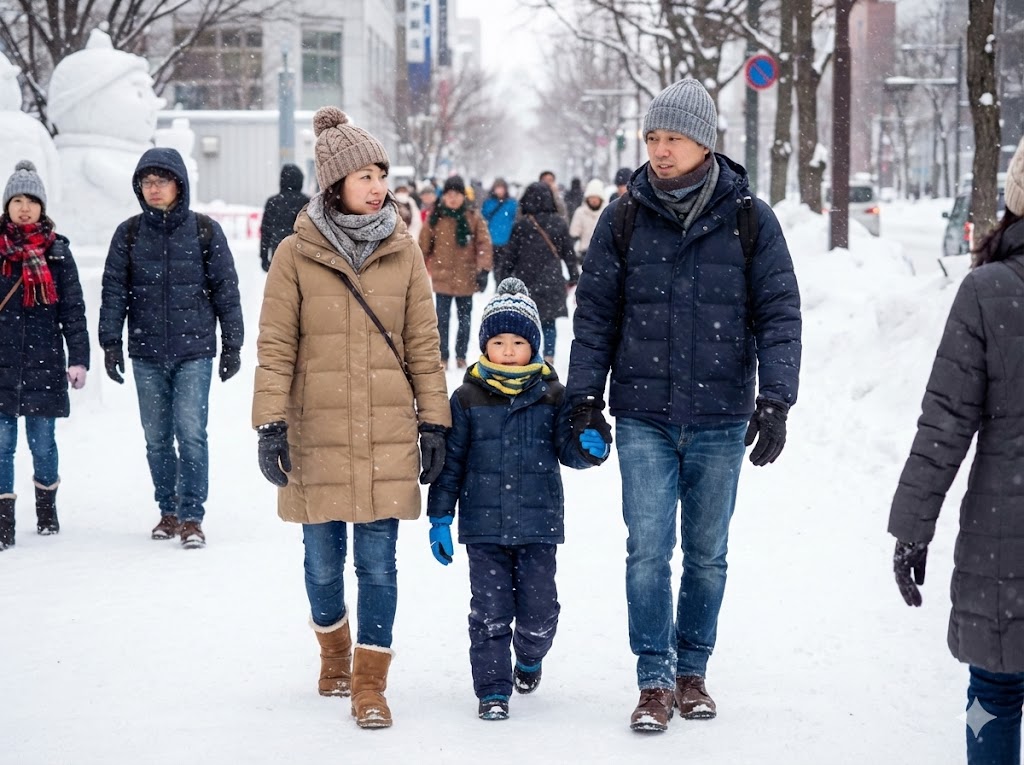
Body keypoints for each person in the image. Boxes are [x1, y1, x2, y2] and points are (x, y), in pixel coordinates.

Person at [565, 78, 802, 732]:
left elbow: (779, 314)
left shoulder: (750, 219)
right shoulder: (623, 218)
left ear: (705, 143)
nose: (660, 150)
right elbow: (595, 317)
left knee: (706, 553)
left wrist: (776, 399)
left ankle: (692, 670)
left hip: (721, 417)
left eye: (672, 138)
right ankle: (654, 678)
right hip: (643, 413)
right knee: (647, 549)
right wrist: (583, 398)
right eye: (652, 137)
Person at [252, 107, 451, 730]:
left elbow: (424, 345)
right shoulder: (294, 254)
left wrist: (434, 422)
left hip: (385, 432)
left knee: (378, 565)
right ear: (335, 183)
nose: (377, 185)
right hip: (316, 432)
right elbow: (275, 345)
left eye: (381, 174)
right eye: (365, 175)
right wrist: (270, 423)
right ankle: (333, 655)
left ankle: (370, 684)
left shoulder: (404, 252)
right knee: (320, 563)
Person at [888, 136, 1024, 765]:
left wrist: (912, 529)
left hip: (1005, 540)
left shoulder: (989, 290)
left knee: (995, 691)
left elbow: (944, 422)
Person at [425, 277, 607, 721]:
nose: (508, 351)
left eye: (519, 342)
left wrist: (588, 448)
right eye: (499, 342)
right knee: (490, 612)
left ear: (535, 347)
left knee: (539, 613)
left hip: (537, 526)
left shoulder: (553, 396)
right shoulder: (466, 398)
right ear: (485, 346)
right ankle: (492, 690)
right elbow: (452, 462)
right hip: (483, 528)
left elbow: (567, 451)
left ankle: (528, 657)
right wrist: (440, 517)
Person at [99, 146, 243, 549]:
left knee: (191, 434)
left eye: (161, 180)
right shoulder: (128, 234)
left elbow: (226, 290)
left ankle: (192, 516)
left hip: (194, 350)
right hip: (146, 352)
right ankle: (169, 510)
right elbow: (114, 291)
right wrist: (110, 342)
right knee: (157, 438)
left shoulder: (204, 231)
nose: (154, 188)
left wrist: (232, 344)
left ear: (179, 184)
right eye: (147, 181)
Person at [0, 160, 89, 550]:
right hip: (2, 363)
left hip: (43, 361)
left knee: (42, 443)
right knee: (2, 445)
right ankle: (3, 522)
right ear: (7, 206)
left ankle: (46, 510)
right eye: (17, 201)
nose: (24, 208)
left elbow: (73, 309)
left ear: (42, 207)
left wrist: (78, 358)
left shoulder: (56, 252)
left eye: (31, 201)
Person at [496, 181, 578, 366]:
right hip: (552, 279)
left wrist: (503, 277)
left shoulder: (522, 225)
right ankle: (549, 357)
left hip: (526, 280)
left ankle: (529, 355)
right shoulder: (559, 223)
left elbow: (510, 256)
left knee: (528, 320)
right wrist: (574, 275)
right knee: (549, 322)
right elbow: (569, 253)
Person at [419, 175, 492, 369]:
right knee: (441, 321)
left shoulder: (473, 217)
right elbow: (423, 245)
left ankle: (461, 355)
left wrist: (484, 269)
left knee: (465, 320)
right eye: (449, 194)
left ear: (463, 196)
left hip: (466, 277)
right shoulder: (436, 217)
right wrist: (416, 267)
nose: (452, 198)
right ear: (443, 195)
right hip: (442, 277)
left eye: (457, 194)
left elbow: (483, 244)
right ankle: (443, 356)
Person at [260, 163, 309, 272]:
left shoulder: (272, 202)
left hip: (278, 254)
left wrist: (264, 257)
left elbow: (265, 232)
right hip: (303, 254)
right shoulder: (307, 202)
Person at [480, 178, 517, 277]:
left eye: (501, 188)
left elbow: (515, 219)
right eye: (498, 188)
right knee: (493, 268)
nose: (500, 191)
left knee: (504, 269)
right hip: (492, 241)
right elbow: (483, 218)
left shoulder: (512, 203)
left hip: (507, 241)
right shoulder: (488, 203)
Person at [568, 178, 607, 268]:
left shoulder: (607, 212)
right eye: (591, 197)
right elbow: (574, 234)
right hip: (584, 254)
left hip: (603, 254)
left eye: (596, 197)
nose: (594, 200)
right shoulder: (580, 212)